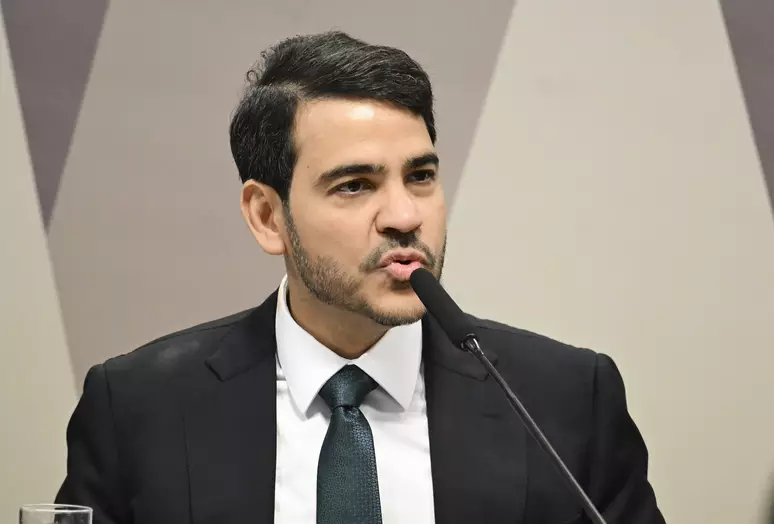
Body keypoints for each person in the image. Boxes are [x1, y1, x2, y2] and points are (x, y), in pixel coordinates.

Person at [55, 31, 665, 524]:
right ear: (267, 216)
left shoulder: (565, 400)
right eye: (354, 185)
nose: (404, 216)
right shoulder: (140, 408)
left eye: (420, 177)